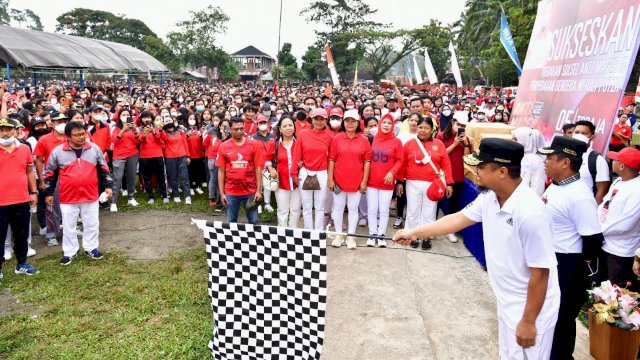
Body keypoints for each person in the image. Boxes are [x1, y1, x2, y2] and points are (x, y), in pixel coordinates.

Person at [394, 138, 560, 359]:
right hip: (507, 299)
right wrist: (414, 232)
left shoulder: (531, 213)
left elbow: (541, 272)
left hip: (530, 305)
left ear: (501, 172)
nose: (475, 171)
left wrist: (529, 321)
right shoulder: (490, 198)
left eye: (481, 167)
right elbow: (458, 219)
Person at [537, 136, 603, 359]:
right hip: (552, 260)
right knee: (549, 316)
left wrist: (579, 267)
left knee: (561, 318)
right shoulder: (558, 186)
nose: (545, 161)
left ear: (565, 163)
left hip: (567, 264)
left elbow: (593, 238)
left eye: (550, 158)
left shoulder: (578, 195)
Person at [44, 121, 113, 266]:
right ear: (67, 137)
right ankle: (69, 252)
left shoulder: (94, 149)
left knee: (92, 223)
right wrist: (48, 193)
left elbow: (103, 168)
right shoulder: (57, 152)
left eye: (83, 133)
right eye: (77, 135)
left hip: (90, 195)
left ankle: (91, 248)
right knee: (69, 226)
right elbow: (50, 174)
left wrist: (107, 186)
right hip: (68, 197)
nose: (82, 137)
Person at [398, 116, 453, 250]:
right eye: (420, 127)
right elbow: (403, 163)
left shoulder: (439, 144)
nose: (422, 130)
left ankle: (426, 237)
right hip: (412, 182)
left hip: (432, 183)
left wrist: (449, 183)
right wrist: (400, 181)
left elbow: (446, 164)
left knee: (429, 211)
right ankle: (412, 236)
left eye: (426, 128)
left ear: (432, 129)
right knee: (413, 210)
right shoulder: (409, 144)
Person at [0, 117, 39, 280]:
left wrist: (34, 191)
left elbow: (30, 171)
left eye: (8, 129)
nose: (4, 133)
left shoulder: (24, 149)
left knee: (21, 234)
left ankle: (21, 263)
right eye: (1, 130)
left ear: (15, 130)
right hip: (1, 203)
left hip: (21, 200)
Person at [328, 109, 372, 250]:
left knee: (353, 209)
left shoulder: (364, 140)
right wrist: (330, 179)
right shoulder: (337, 139)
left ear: (358, 123)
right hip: (338, 181)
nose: (350, 123)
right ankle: (339, 234)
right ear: (343, 122)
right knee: (338, 209)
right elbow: (332, 160)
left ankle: (351, 236)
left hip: (356, 181)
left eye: (353, 121)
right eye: (347, 121)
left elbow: (367, 161)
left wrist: (364, 181)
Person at [598, 147, 640, 290]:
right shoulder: (618, 182)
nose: (611, 161)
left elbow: (626, 223)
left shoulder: (637, 190)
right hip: (606, 245)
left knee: (617, 297)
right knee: (600, 293)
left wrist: (599, 231)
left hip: (621, 253)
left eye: (615, 159)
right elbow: (605, 203)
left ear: (622, 166)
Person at [216, 117, 264, 224]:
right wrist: (222, 193)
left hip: (250, 191)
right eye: (236, 129)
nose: (239, 131)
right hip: (231, 192)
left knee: (254, 221)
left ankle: (255, 240)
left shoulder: (254, 144)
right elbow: (221, 171)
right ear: (230, 129)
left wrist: (258, 190)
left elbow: (258, 168)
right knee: (231, 221)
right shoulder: (223, 146)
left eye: (241, 128)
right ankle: (231, 240)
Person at [291, 108, 333, 230]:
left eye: (322, 119)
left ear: (326, 120)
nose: (319, 122)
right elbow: (297, 155)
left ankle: (318, 231)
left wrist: (331, 176)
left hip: (322, 173)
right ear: (311, 119)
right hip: (305, 172)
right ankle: (308, 232)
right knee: (307, 206)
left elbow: (331, 158)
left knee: (320, 206)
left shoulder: (329, 136)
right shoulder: (303, 134)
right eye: (316, 119)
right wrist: (294, 172)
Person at [366, 114, 403, 247]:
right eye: (384, 122)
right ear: (380, 124)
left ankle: (381, 234)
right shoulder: (372, 139)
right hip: (371, 181)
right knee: (372, 209)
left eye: (389, 123)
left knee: (384, 209)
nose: (386, 125)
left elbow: (400, 160)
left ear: (393, 126)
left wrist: (392, 173)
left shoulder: (396, 141)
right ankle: (372, 233)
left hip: (387, 182)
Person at [33, 111, 68, 246]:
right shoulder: (44, 139)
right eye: (59, 122)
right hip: (52, 178)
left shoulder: (71, 137)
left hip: (70, 177)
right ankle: (51, 233)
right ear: (52, 123)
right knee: (51, 206)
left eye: (64, 121)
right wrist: (42, 181)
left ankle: (71, 228)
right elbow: (39, 160)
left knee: (72, 205)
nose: (62, 124)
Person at [436, 111, 472, 242]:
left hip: (457, 175)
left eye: (463, 125)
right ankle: (432, 226)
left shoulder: (465, 139)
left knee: (453, 204)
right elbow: (440, 155)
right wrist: (455, 144)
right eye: (458, 124)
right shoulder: (441, 136)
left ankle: (449, 230)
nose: (460, 127)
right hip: (441, 175)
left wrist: (466, 144)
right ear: (452, 123)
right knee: (436, 202)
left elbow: (467, 158)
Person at [272, 115, 301, 227]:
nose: (288, 128)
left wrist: (302, 163)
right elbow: (267, 160)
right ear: (280, 128)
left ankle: (293, 233)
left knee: (295, 209)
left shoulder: (299, 142)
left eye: (290, 125)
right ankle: (282, 234)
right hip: (281, 182)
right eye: (285, 126)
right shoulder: (275, 144)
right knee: (282, 210)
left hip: (297, 182)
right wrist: (271, 169)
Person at [572, 121, 610, 204]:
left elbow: (602, 191)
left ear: (592, 137)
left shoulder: (598, 160)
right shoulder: (565, 155)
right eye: (577, 132)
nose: (579, 135)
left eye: (584, 133)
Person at [110, 108, 140, 211]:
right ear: (119, 117)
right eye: (123, 114)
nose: (126, 116)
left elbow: (138, 141)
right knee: (118, 178)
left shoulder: (133, 127)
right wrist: (123, 129)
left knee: (131, 177)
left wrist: (135, 130)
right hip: (119, 155)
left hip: (132, 154)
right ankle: (113, 202)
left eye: (128, 114)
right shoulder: (115, 128)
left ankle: (131, 198)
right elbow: (114, 141)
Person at [138, 110, 168, 204]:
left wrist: (154, 132)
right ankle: (150, 196)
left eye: (149, 117)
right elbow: (138, 142)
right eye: (144, 117)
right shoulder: (139, 129)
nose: (147, 119)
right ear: (141, 119)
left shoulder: (157, 128)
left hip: (157, 154)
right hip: (144, 156)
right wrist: (145, 134)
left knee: (160, 176)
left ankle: (164, 195)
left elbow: (161, 139)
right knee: (147, 177)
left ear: (152, 119)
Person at [160, 117, 192, 204]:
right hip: (170, 157)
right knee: (173, 178)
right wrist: (160, 129)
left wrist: (188, 156)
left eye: (170, 120)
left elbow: (185, 143)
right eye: (166, 121)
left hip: (182, 156)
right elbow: (163, 139)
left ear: (173, 121)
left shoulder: (180, 131)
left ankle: (187, 196)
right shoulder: (164, 133)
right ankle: (176, 195)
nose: (168, 122)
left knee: (184, 177)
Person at [252, 114, 276, 213]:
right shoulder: (253, 137)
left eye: (264, 122)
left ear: (268, 124)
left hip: (271, 163)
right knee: (258, 184)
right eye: (260, 123)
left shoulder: (273, 136)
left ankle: (267, 203)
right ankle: (258, 204)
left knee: (268, 184)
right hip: (258, 164)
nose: (263, 124)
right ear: (257, 125)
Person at [512, 127, 547, 196]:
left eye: (516, 139)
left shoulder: (535, 161)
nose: (513, 141)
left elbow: (537, 189)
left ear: (525, 140)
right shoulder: (522, 156)